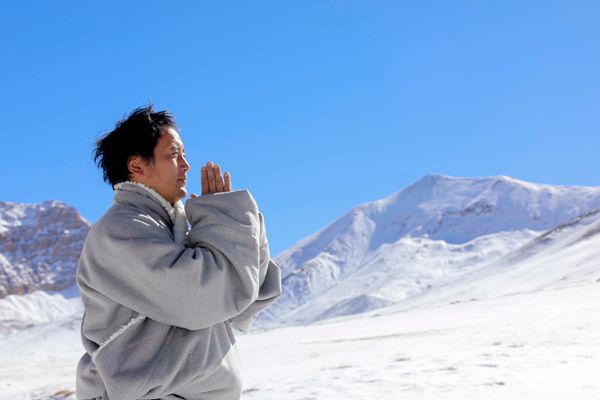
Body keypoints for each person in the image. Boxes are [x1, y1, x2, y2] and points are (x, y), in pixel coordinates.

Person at [75, 105, 282, 400]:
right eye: (173, 155)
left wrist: (236, 223)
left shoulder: (178, 229)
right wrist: (224, 223)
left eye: (184, 154)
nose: (185, 165)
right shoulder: (121, 231)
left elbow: (247, 299)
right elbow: (203, 301)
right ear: (136, 166)